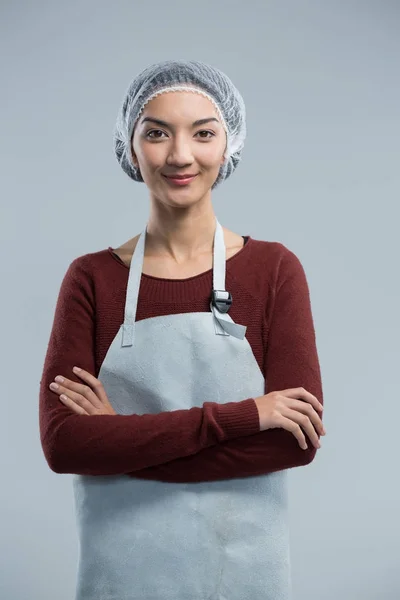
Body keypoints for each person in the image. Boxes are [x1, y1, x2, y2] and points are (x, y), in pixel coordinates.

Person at [39, 59, 325, 600]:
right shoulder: (92, 278)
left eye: (203, 133)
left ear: (228, 144)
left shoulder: (274, 270)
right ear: (130, 147)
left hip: (243, 577)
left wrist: (122, 446)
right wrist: (247, 416)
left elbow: (295, 443)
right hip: (121, 578)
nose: (179, 155)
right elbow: (65, 444)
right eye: (156, 133)